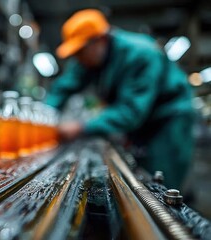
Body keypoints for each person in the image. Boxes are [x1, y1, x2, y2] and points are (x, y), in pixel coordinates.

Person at [45, 9, 194, 189]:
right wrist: (45, 114)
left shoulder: (141, 54)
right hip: (143, 121)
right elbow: (64, 86)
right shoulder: (89, 58)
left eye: (80, 52)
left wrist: (80, 127)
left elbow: (130, 111)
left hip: (168, 119)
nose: (78, 59)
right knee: (140, 172)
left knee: (160, 182)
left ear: (101, 40)